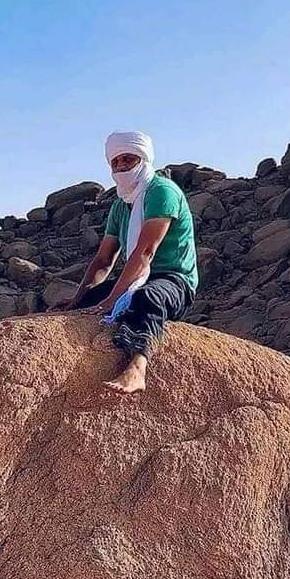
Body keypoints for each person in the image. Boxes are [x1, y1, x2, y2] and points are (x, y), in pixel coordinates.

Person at [57, 131, 198, 393]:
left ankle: (138, 367)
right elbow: (103, 259)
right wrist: (79, 297)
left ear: (143, 159)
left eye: (128, 159)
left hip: (173, 280)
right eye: (116, 161)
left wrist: (112, 299)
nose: (121, 166)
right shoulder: (121, 205)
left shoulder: (162, 192)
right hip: (137, 275)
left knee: (146, 298)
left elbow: (145, 252)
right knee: (84, 304)